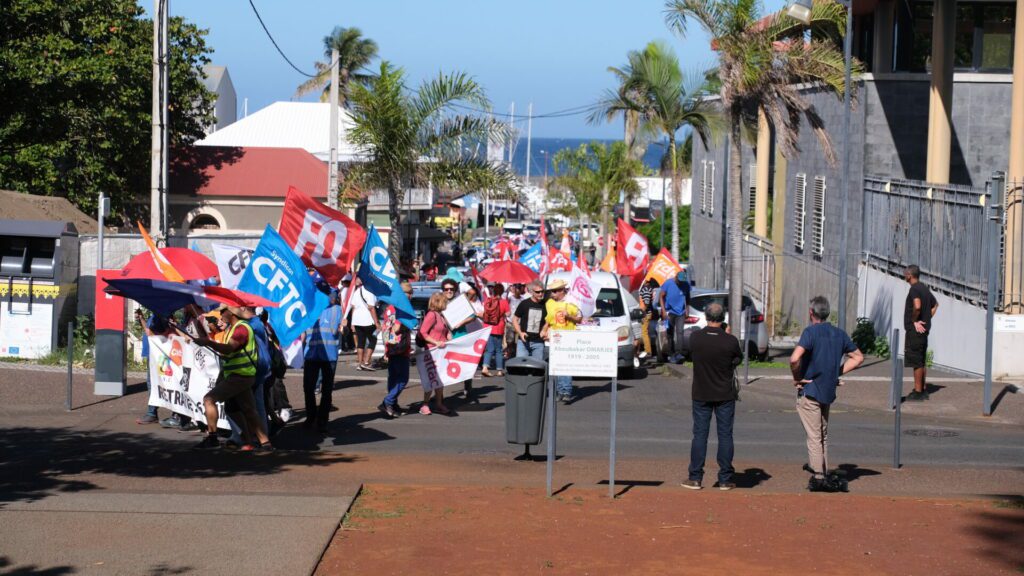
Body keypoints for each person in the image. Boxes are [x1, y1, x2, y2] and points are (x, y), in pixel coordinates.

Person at [789, 296, 864, 492]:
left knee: (814, 435)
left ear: (811, 313)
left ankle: (819, 476)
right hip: (828, 390)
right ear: (827, 313)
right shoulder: (839, 334)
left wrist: (797, 378)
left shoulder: (810, 333)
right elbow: (858, 357)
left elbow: (794, 358)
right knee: (822, 433)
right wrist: (836, 372)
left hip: (811, 390)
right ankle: (821, 467)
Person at [192, 306, 273, 453]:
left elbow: (229, 348)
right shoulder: (236, 328)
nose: (220, 314)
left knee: (209, 399)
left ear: (232, 312)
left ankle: (212, 438)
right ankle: (262, 443)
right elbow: (231, 352)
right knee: (248, 410)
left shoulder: (241, 328)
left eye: (222, 311)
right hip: (241, 375)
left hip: (240, 375)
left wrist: (208, 343)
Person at [682, 303, 742, 491]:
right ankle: (725, 478)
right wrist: (727, 334)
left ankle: (695, 477)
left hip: (701, 391)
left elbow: (688, 354)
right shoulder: (730, 340)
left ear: (706, 317)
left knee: (700, 434)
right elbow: (737, 359)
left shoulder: (696, 338)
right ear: (723, 318)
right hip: (725, 392)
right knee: (725, 435)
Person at [303, 289, 343, 433]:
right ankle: (311, 417)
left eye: (334, 295)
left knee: (327, 390)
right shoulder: (310, 308)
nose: (334, 297)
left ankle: (322, 420)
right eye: (331, 294)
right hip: (311, 354)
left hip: (329, 356)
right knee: (308, 388)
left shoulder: (338, 310)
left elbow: (341, 330)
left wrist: (344, 327)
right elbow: (303, 331)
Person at [542, 278, 583, 402]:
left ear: (561, 291)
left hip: (568, 337)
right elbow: (548, 320)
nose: (552, 294)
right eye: (551, 291)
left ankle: (566, 390)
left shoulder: (572, 302)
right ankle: (560, 390)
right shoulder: (549, 303)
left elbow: (580, 319)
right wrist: (544, 329)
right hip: (555, 338)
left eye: (554, 291)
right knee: (557, 365)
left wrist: (569, 316)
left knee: (566, 365)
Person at [380, 282, 415, 418]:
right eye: (408, 293)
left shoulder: (390, 307)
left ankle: (393, 404)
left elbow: (386, 328)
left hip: (391, 347)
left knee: (393, 378)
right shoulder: (402, 308)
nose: (410, 296)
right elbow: (397, 328)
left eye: (411, 293)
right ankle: (387, 402)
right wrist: (406, 323)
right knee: (402, 379)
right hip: (400, 348)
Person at [904, 265, 938, 401]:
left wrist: (915, 321)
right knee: (921, 360)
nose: (904, 275)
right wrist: (927, 318)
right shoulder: (924, 288)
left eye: (905, 273)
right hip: (923, 331)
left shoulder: (914, 289)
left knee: (916, 361)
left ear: (909, 275)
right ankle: (922, 389)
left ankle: (918, 392)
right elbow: (935, 305)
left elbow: (917, 306)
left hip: (915, 332)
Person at [418, 292, 452, 415]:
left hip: (441, 352)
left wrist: (449, 337)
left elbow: (445, 331)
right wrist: (436, 342)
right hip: (431, 352)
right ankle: (425, 404)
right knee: (431, 379)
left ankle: (439, 404)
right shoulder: (432, 315)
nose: (447, 303)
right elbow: (423, 332)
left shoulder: (441, 316)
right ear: (439, 302)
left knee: (440, 379)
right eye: (445, 301)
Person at [136, 309, 170, 425]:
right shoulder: (154, 315)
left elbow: (152, 333)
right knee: (153, 383)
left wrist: (149, 331)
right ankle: (152, 412)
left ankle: (152, 413)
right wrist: (142, 319)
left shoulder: (160, 316)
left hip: (158, 356)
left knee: (155, 383)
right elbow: (148, 332)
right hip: (153, 354)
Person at [348, 276, 380, 371]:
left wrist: (352, 323)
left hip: (357, 320)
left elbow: (353, 307)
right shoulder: (370, 292)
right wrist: (376, 322)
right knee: (372, 340)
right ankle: (366, 362)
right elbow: (371, 308)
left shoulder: (357, 291)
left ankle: (360, 363)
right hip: (368, 320)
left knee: (361, 342)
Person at [660, 271, 691, 364]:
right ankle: (671, 353)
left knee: (680, 332)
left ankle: (679, 353)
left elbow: (688, 298)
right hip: (670, 312)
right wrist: (663, 311)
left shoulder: (686, 285)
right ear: (676, 277)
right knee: (670, 333)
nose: (680, 283)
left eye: (682, 281)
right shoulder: (668, 283)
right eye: (679, 281)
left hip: (681, 312)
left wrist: (687, 309)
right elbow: (661, 297)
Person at [513, 280, 548, 361]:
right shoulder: (524, 303)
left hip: (538, 342)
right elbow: (515, 319)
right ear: (532, 292)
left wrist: (544, 330)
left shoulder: (545, 305)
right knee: (521, 366)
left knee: (537, 368)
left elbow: (548, 321)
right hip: (523, 341)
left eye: (542, 291)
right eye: (538, 292)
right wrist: (520, 333)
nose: (540, 294)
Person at [481, 283, 510, 377]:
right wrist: (504, 314)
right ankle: (499, 370)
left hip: (487, 327)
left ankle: (485, 367)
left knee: (489, 349)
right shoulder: (504, 302)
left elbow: (484, 312)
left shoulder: (487, 300)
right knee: (498, 349)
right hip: (498, 327)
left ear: (493, 291)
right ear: (502, 292)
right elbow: (509, 314)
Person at [638, 278, 658, 360]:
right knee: (644, 332)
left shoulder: (646, 289)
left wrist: (642, 312)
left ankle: (648, 351)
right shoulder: (650, 289)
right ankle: (646, 350)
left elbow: (646, 302)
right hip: (648, 313)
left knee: (644, 332)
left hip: (645, 314)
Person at [338, 274, 355, 353]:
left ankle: (343, 346)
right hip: (351, 313)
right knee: (350, 330)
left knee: (343, 330)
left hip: (343, 312)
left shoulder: (341, 291)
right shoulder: (352, 291)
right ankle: (351, 345)